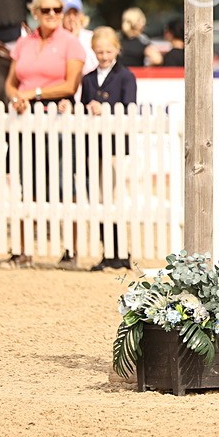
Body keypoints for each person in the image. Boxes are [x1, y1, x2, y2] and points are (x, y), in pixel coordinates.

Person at [4, 0, 86, 216]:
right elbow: (10, 83)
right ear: (35, 12)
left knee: (62, 184)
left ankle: (70, 247)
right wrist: (17, 97)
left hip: (57, 117)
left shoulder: (71, 43)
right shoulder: (24, 43)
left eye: (58, 9)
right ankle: (22, 247)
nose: (53, 14)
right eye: (46, 9)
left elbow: (71, 85)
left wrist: (34, 94)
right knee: (24, 182)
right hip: (24, 117)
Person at [81, 26, 138, 270]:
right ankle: (108, 250)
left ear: (117, 49)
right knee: (101, 199)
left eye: (108, 51)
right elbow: (84, 104)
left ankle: (121, 251)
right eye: (99, 52)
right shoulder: (88, 78)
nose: (104, 56)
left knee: (115, 198)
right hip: (94, 146)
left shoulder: (126, 76)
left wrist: (104, 108)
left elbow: (129, 107)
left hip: (115, 146)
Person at [61, 0, 98, 75]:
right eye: (67, 14)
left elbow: (92, 67)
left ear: (81, 15)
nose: (71, 18)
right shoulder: (56, 37)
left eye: (75, 13)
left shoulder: (90, 37)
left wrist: (76, 40)